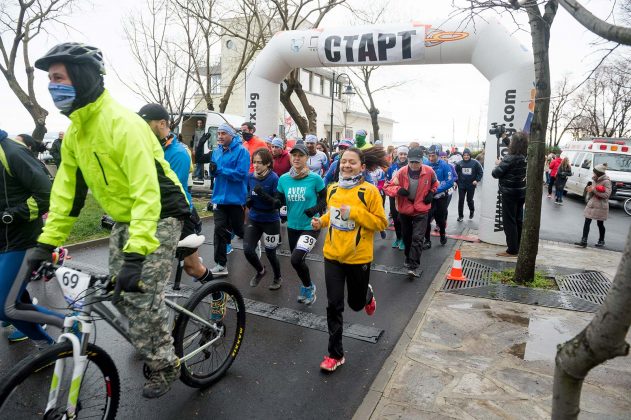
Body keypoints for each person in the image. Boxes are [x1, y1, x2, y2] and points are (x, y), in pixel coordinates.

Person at [32, 42, 191, 398]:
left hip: (161, 212)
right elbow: (67, 195)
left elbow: (146, 192)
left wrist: (137, 255)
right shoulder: (75, 133)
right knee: (121, 294)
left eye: (58, 77)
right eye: (50, 79)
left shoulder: (124, 123)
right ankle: (153, 328)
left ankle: (166, 365)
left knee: (140, 295)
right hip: (125, 216)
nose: (51, 86)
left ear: (83, 77)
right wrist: (46, 242)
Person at [310, 147, 388, 372]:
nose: (346, 166)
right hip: (332, 255)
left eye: (352, 162)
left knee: (355, 304)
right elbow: (332, 214)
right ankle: (335, 354)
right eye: (343, 162)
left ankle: (367, 294)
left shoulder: (369, 191)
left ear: (362, 166)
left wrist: (354, 212)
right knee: (334, 305)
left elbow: (381, 223)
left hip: (358, 258)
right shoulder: (333, 189)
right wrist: (321, 222)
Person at [138, 103, 212, 283]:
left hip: (179, 214)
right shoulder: (150, 148)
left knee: (192, 268)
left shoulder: (178, 153)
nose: (141, 129)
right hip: (155, 214)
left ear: (162, 124)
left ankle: (218, 293)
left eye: (146, 124)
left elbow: (170, 192)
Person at [0, 128, 60, 344]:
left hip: (21, 239)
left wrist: (8, 216)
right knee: (11, 300)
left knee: (5, 307)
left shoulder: (12, 152)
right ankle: (45, 345)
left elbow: (45, 196)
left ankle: (68, 325)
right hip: (4, 241)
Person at [196, 123, 250, 276]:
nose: (220, 136)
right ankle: (221, 264)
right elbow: (204, 162)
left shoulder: (242, 152)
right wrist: (213, 171)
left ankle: (253, 240)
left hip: (236, 199)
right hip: (219, 198)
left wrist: (220, 170)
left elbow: (241, 174)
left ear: (231, 135)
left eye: (223, 133)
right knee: (219, 229)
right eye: (218, 133)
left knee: (239, 230)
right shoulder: (217, 152)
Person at [276, 143, 326, 305]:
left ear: (307, 158)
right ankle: (307, 285)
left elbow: (325, 199)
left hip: (311, 226)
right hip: (293, 226)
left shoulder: (315, 178)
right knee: (297, 260)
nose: (296, 158)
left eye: (301, 155)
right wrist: (264, 199)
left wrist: (315, 209)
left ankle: (309, 288)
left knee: (296, 260)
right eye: (294, 155)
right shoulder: (284, 179)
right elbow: (279, 201)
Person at [384, 148, 438, 277]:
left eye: (417, 162)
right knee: (407, 238)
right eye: (412, 162)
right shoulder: (401, 172)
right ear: (408, 160)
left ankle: (413, 265)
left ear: (421, 161)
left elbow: (435, 184)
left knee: (418, 238)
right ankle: (408, 257)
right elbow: (387, 187)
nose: (414, 165)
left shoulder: (429, 171)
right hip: (405, 209)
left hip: (421, 209)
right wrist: (398, 190)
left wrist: (431, 193)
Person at [244, 148, 283, 289]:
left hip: (270, 220)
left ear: (267, 164)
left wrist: (262, 194)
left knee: (271, 253)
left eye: (260, 162)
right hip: (254, 217)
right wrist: (248, 199)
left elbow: (277, 203)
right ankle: (261, 271)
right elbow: (249, 192)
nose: (256, 165)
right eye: (254, 162)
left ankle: (278, 277)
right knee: (248, 250)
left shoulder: (274, 178)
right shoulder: (250, 177)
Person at [491, 132, 528, 257]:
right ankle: (518, 246)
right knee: (518, 219)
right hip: (521, 192)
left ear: (514, 144)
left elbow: (495, 173)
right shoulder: (525, 156)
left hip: (509, 193)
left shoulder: (508, 158)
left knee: (509, 221)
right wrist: (504, 137)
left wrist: (498, 163)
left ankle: (512, 250)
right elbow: (515, 148)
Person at [424, 144, 454, 248]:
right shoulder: (426, 164)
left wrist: (436, 190)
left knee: (440, 219)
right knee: (426, 219)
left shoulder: (445, 165)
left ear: (438, 155)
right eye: (429, 156)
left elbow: (450, 182)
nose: (431, 158)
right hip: (430, 197)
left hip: (441, 197)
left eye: (433, 156)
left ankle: (442, 235)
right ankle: (427, 240)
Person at [574, 164, 611, 248]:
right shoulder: (594, 180)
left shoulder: (607, 181)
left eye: (595, 172)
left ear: (599, 173)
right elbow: (592, 192)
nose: (593, 174)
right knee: (587, 221)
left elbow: (607, 195)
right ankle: (584, 240)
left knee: (600, 223)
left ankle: (601, 240)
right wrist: (589, 190)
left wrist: (593, 190)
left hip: (601, 205)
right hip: (592, 203)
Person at [385, 146, 409, 250]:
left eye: (405, 154)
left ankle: (404, 239)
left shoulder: (410, 167)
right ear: (397, 155)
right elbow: (387, 183)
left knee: (404, 219)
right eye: (401, 154)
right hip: (394, 197)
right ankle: (398, 237)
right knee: (395, 218)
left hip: (405, 197)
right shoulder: (392, 167)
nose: (403, 156)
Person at [455, 148, 483, 221]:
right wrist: (456, 182)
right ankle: (460, 216)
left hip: (471, 185)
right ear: (463, 156)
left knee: (469, 200)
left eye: (467, 155)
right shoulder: (459, 163)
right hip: (461, 185)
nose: (466, 156)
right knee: (461, 200)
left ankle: (472, 210)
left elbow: (480, 172)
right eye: (464, 155)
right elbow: (455, 173)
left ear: (470, 155)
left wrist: (477, 180)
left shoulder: (475, 163)